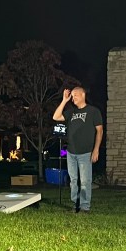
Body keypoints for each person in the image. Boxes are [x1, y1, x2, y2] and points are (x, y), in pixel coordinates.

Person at [52, 85, 103, 213]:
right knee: (73, 180)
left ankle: (84, 207)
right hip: (71, 152)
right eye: (72, 96)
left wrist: (96, 149)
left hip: (85, 152)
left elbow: (100, 131)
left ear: (83, 95)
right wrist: (64, 100)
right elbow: (56, 117)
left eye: (75, 95)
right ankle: (76, 205)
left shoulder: (93, 111)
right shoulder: (71, 112)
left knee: (85, 181)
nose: (73, 98)